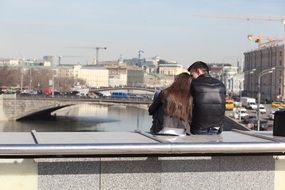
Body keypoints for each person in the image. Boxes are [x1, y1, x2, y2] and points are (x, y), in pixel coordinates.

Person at [188, 61, 226, 135]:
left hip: (198, 127)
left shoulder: (194, 84)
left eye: (192, 75)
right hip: (217, 127)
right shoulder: (221, 84)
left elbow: (189, 106)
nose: (191, 78)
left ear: (198, 71)